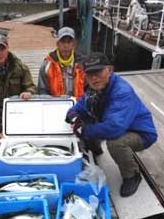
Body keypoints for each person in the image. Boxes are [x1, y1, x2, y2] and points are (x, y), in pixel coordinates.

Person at [65, 53, 157, 197]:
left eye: (98, 72)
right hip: (116, 124)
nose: (94, 77)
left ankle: (132, 175)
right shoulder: (94, 88)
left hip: (141, 132)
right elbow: (82, 104)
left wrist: (84, 130)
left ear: (109, 70)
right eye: (90, 74)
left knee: (115, 143)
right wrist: (72, 115)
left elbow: (114, 129)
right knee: (84, 121)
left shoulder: (122, 91)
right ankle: (95, 149)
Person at [0, 34, 37, 132]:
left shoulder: (21, 67)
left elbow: (31, 86)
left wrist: (28, 92)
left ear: (7, 49)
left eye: (2, 49)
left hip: (16, 107)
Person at [37, 27, 85, 99]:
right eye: (63, 42)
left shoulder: (83, 64)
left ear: (74, 44)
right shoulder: (46, 65)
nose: (66, 45)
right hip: (55, 105)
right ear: (57, 44)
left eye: (69, 42)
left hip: (78, 105)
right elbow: (42, 90)